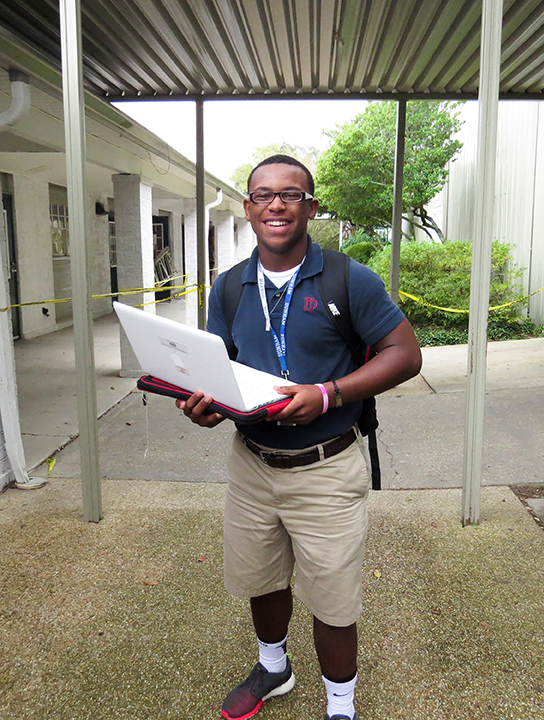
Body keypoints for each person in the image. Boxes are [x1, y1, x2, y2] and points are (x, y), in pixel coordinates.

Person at [177, 155, 422, 720]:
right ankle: (273, 667)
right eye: (263, 195)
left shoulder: (348, 278)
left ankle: (341, 705)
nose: (276, 205)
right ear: (247, 208)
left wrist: (329, 393)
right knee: (261, 577)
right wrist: (208, 405)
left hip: (326, 466)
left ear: (310, 208)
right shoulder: (229, 287)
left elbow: (405, 355)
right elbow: (220, 367)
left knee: (333, 600)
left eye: (290, 195)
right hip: (253, 464)